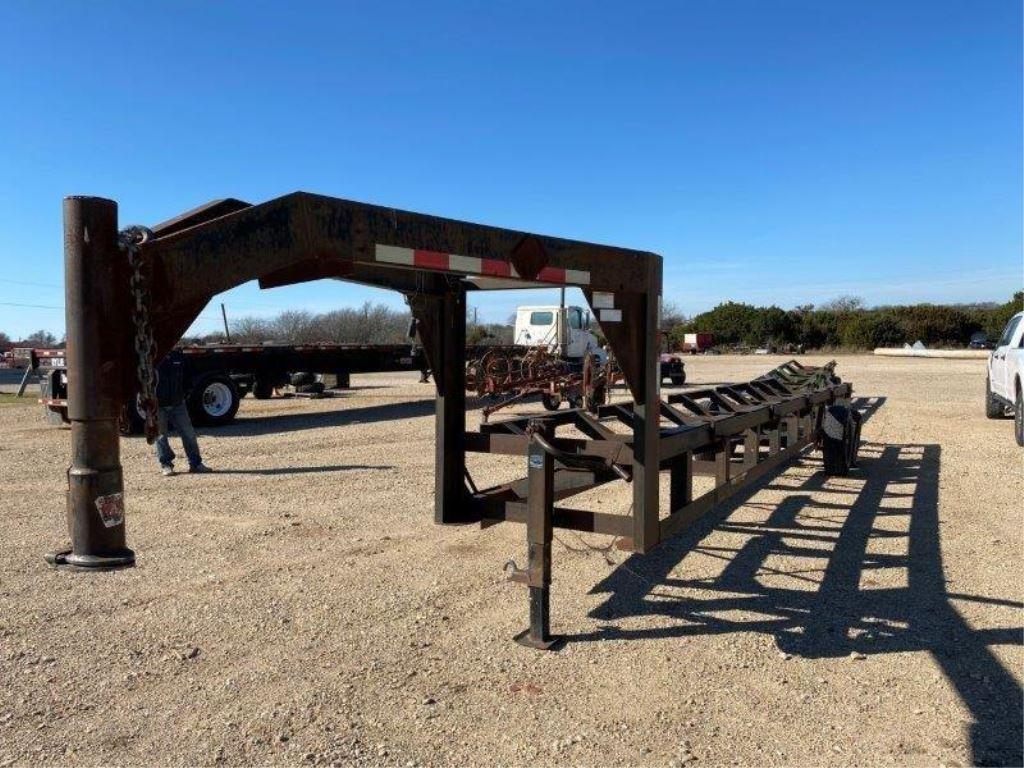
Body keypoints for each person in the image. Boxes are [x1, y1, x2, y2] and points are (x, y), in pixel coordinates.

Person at [152, 350, 210, 476]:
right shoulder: (152, 356)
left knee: (189, 434)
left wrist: (184, 394)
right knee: (161, 436)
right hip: (158, 404)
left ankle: (196, 464)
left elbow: (189, 377)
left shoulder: (178, 356)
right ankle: (166, 465)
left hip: (178, 404)